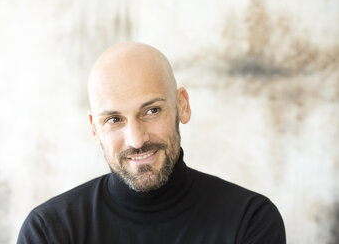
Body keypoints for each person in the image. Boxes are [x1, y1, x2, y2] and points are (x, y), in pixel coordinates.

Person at [17, 42, 286, 243]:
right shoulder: (49, 232)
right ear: (95, 130)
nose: (136, 140)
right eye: (114, 119)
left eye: (151, 111)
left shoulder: (249, 221)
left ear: (182, 105)